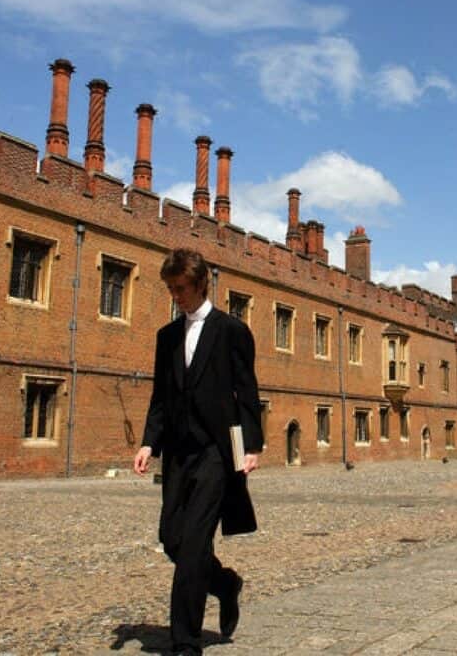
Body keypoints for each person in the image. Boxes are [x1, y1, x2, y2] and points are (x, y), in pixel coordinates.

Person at [133, 248, 263, 655]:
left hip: (215, 453)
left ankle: (185, 642)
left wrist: (251, 447)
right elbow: (161, 396)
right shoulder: (167, 336)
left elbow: (247, 392)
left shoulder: (231, 331)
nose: (175, 296)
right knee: (172, 539)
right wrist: (149, 442)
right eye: (171, 289)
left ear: (201, 283)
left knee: (192, 545)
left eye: (181, 289)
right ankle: (224, 583)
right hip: (178, 452)